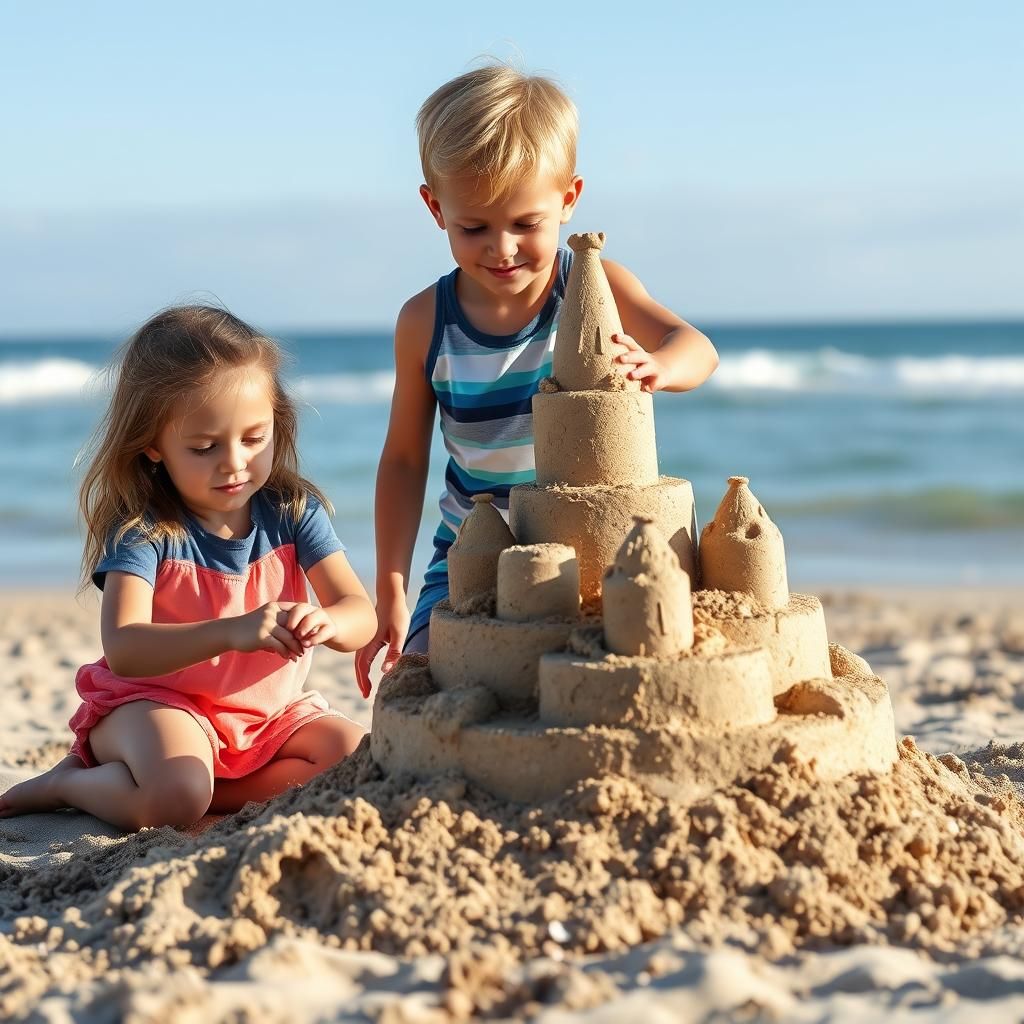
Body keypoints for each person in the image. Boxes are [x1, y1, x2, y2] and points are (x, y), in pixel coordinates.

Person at [355, 63, 719, 691]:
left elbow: (697, 347)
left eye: (526, 224)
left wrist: (660, 367)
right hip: (471, 548)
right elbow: (405, 460)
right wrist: (390, 584)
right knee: (423, 678)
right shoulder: (424, 321)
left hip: (591, 547)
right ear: (435, 207)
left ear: (569, 199)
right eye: (474, 227)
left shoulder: (592, 289)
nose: (502, 249)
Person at [0, 306, 377, 830]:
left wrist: (331, 624)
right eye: (204, 447)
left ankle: (202, 789)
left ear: (278, 423)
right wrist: (233, 631)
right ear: (154, 446)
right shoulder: (146, 531)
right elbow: (126, 648)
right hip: (155, 706)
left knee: (358, 755)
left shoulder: (293, 512)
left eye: (253, 438)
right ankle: (68, 782)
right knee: (177, 798)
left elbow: (359, 613)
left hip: (265, 718)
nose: (234, 463)